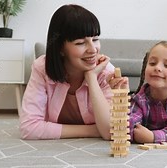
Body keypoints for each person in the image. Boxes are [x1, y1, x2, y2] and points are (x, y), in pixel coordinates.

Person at [19, 4, 115, 140]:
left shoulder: (106, 71)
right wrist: (92, 131)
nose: (93, 49)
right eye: (80, 43)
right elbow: (29, 128)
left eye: (95, 39)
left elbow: (109, 131)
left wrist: (91, 78)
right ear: (60, 48)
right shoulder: (42, 68)